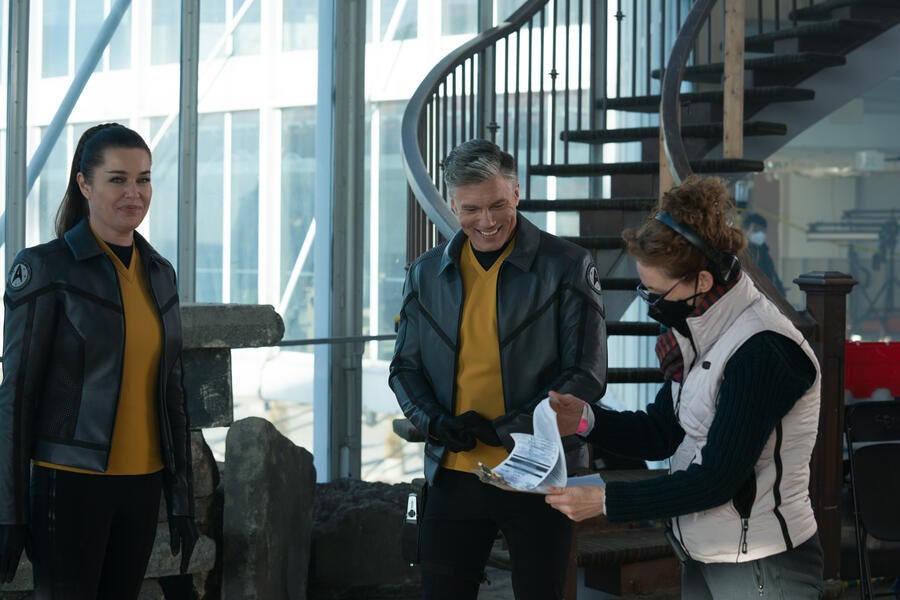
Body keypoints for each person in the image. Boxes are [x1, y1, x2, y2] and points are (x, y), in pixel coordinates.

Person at [546, 176, 824, 599]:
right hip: (705, 552)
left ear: (703, 283)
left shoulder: (762, 350)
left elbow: (716, 480)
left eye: (656, 292)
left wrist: (606, 503)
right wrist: (584, 420)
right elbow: (663, 432)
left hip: (763, 565)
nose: (649, 301)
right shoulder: (699, 330)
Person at [389, 139, 607, 599]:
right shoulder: (425, 273)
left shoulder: (567, 265)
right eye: (471, 209)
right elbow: (404, 369)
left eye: (498, 205)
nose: (486, 222)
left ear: (517, 193)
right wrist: (436, 422)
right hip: (454, 472)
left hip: (540, 475)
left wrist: (508, 428)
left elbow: (587, 374)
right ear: (452, 203)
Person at [0, 123, 197, 598]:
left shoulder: (160, 274)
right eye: (117, 179)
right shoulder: (46, 268)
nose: (134, 192)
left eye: (143, 179)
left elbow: (172, 391)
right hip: (70, 485)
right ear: (84, 184)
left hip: (143, 486)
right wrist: (8, 511)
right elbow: (16, 396)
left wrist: (182, 498)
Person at [742, 212, 785, 294]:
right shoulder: (740, 253)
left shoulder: (764, 253)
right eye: (756, 230)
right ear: (745, 230)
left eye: (762, 230)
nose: (760, 233)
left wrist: (781, 292)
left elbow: (772, 276)